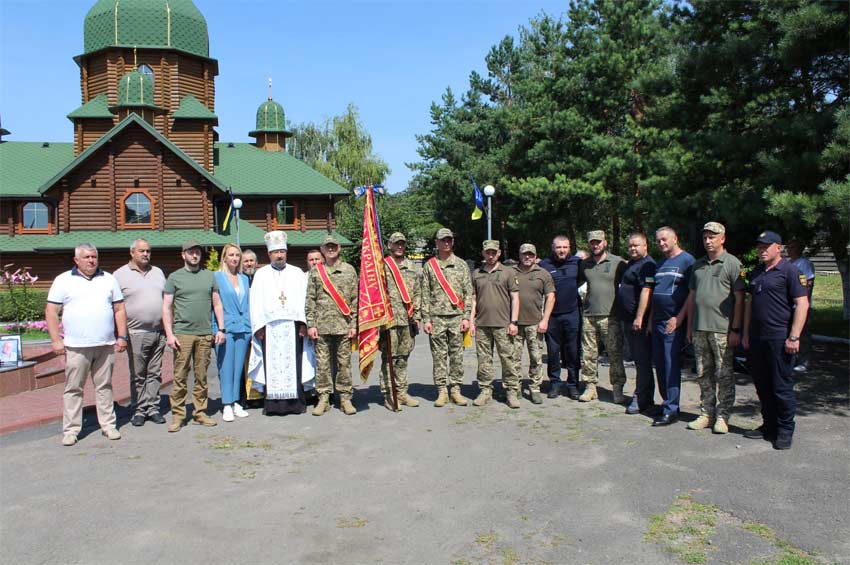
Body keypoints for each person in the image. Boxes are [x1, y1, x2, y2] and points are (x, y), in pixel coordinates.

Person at [46, 243, 128, 446]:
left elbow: (119, 309)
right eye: (87, 257)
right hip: (76, 346)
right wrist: (56, 340)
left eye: (94, 257)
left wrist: (122, 336)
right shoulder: (63, 280)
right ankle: (71, 430)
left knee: (104, 387)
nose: (91, 260)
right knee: (74, 388)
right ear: (76, 260)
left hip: (105, 344)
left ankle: (108, 426)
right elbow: (51, 311)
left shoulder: (109, 279)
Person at [742, 231, 808, 450]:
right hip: (757, 338)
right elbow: (750, 304)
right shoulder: (757, 272)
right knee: (763, 385)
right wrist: (744, 333)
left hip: (780, 338)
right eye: (759, 247)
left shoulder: (790, 271)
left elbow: (802, 304)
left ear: (778, 248)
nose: (762, 250)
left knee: (781, 387)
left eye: (766, 247)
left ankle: (785, 430)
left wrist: (794, 336)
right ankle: (768, 425)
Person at [685, 222, 746, 434]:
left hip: (722, 329)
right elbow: (692, 297)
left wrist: (736, 329)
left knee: (724, 375)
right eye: (705, 237)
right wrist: (690, 327)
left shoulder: (732, 263)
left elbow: (740, 299)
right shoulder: (698, 265)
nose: (708, 241)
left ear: (723, 238)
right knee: (703, 373)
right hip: (700, 328)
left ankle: (723, 416)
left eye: (713, 237)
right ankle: (706, 413)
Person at [163, 240, 225, 432]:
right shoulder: (174, 278)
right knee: (180, 376)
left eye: (197, 252)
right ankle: (178, 415)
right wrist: (170, 334)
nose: (194, 255)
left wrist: (221, 329)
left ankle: (200, 412)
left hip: (205, 334)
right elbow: (166, 307)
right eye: (191, 252)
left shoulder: (209, 276)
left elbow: (217, 304)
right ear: (183, 255)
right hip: (183, 334)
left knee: (201, 376)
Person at [248, 231, 309, 416]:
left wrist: (303, 324)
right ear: (269, 254)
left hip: (292, 328)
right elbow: (255, 302)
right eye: (276, 252)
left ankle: (295, 404)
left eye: (282, 251)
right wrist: (258, 327)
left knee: (294, 365)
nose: (280, 255)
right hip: (269, 328)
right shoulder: (261, 274)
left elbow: (305, 300)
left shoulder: (297, 273)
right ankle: (273, 405)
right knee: (271, 366)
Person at [113, 238, 167, 427]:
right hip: (136, 332)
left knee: (154, 372)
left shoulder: (158, 272)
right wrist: (120, 334)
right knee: (138, 373)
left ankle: (153, 408)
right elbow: (115, 306)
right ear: (132, 252)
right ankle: (139, 409)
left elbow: (167, 301)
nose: (146, 254)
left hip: (158, 332)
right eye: (142, 251)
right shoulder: (119, 275)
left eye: (148, 251)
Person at [306, 234, 359, 415]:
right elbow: (310, 299)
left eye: (333, 246)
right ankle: (323, 398)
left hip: (343, 326)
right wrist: (311, 324)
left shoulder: (349, 270)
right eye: (327, 246)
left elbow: (355, 299)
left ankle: (345, 398)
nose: (330, 249)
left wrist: (354, 324)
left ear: (339, 248)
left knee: (344, 363)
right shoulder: (315, 272)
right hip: (321, 326)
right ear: (322, 250)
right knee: (322, 364)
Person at [422, 228, 473, 407]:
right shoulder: (429, 266)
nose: (446, 243)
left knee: (457, 356)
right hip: (436, 318)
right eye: (443, 240)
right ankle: (442, 390)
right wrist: (426, 319)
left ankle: (456, 390)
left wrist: (467, 317)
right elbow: (425, 294)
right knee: (439, 356)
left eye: (449, 240)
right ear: (436, 243)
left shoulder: (461, 265)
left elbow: (468, 293)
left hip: (457, 318)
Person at [649, 227, 695, 426]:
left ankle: (672, 409)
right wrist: (650, 320)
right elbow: (655, 295)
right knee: (659, 365)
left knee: (670, 366)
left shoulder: (687, 261)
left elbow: (691, 295)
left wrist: (679, 318)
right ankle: (666, 402)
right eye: (658, 240)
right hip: (657, 321)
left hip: (672, 323)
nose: (661, 243)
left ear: (675, 238)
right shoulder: (660, 263)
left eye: (665, 239)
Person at [470, 240, 521, 408]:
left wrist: (513, 322)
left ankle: (511, 392)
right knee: (484, 360)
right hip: (482, 325)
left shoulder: (508, 272)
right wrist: (471, 321)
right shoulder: (477, 273)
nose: (490, 255)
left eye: (493, 252)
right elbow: (474, 299)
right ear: (483, 253)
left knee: (508, 359)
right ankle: (485, 390)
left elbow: (515, 298)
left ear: (499, 253)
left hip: (503, 324)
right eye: (487, 252)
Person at [578, 230, 627, 403]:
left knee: (614, 354)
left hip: (610, 317)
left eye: (598, 242)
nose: (595, 245)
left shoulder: (617, 262)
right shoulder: (584, 264)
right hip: (589, 316)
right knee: (588, 355)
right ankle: (590, 387)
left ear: (605, 242)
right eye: (592, 242)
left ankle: (617, 388)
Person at [379, 232, 422, 411]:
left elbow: (417, 292)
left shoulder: (412, 266)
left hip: (407, 320)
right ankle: (389, 393)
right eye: (396, 243)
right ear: (389, 245)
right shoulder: (381, 266)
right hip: (388, 321)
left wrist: (417, 316)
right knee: (389, 357)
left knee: (403, 357)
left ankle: (402, 392)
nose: (399, 246)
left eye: (402, 244)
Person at [539, 235, 584, 399]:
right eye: (558, 247)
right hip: (552, 316)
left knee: (573, 351)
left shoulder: (577, 263)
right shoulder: (544, 265)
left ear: (569, 247)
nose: (562, 250)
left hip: (572, 313)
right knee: (553, 351)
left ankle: (573, 384)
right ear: (553, 247)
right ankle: (555, 384)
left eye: (565, 247)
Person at [618, 233, 658, 415]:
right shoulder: (632, 264)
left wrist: (639, 317)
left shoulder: (647, 265)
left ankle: (641, 398)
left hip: (638, 323)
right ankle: (646, 397)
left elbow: (646, 291)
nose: (633, 249)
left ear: (646, 245)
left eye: (637, 245)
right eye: (630, 246)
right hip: (628, 320)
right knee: (638, 360)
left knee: (642, 361)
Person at [214, 243, 252, 422]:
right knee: (226, 366)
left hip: (243, 328)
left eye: (237, 255)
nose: (235, 259)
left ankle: (237, 401)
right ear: (224, 257)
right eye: (231, 255)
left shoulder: (244, 279)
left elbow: (248, 304)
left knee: (238, 368)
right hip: (226, 327)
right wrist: (218, 328)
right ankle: (226, 403)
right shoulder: (217, 277)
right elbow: (215, 305)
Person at [513, 243, 555, 404]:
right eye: (524, 254)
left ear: (535, 256)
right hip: (515, 323)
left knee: (536, 358)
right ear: (520, 255)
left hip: (535, 323)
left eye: (530, 254)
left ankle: (535, 387)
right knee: (513, 357)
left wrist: (545, 320)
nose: (527, 257)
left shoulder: (543, 274)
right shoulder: (511, 272)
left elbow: (551, 297)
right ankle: (515, 387)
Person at [786, 239, 815, 373]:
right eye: (788, 247)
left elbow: (808, 283)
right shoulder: (788, 263)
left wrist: (805, 303)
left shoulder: (804, 263)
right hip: (789, 304)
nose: (789, 250)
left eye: (793, 247)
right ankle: (792, 359)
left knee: (803, 334)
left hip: (801, 304)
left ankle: (805, 361)